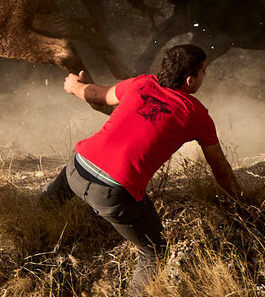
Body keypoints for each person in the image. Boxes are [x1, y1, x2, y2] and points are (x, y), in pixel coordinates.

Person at [43, 44, 243, 295]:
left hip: (77, 167)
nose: (204, 77)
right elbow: (222, 172)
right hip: (113, 193)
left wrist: (73, 86)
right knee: (154, 251)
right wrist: (242, 206)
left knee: (57, 194)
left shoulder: (141, 83)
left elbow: (97, 94)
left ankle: (36, 222)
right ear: (190, 80)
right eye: (204, 72)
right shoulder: (196, 114)